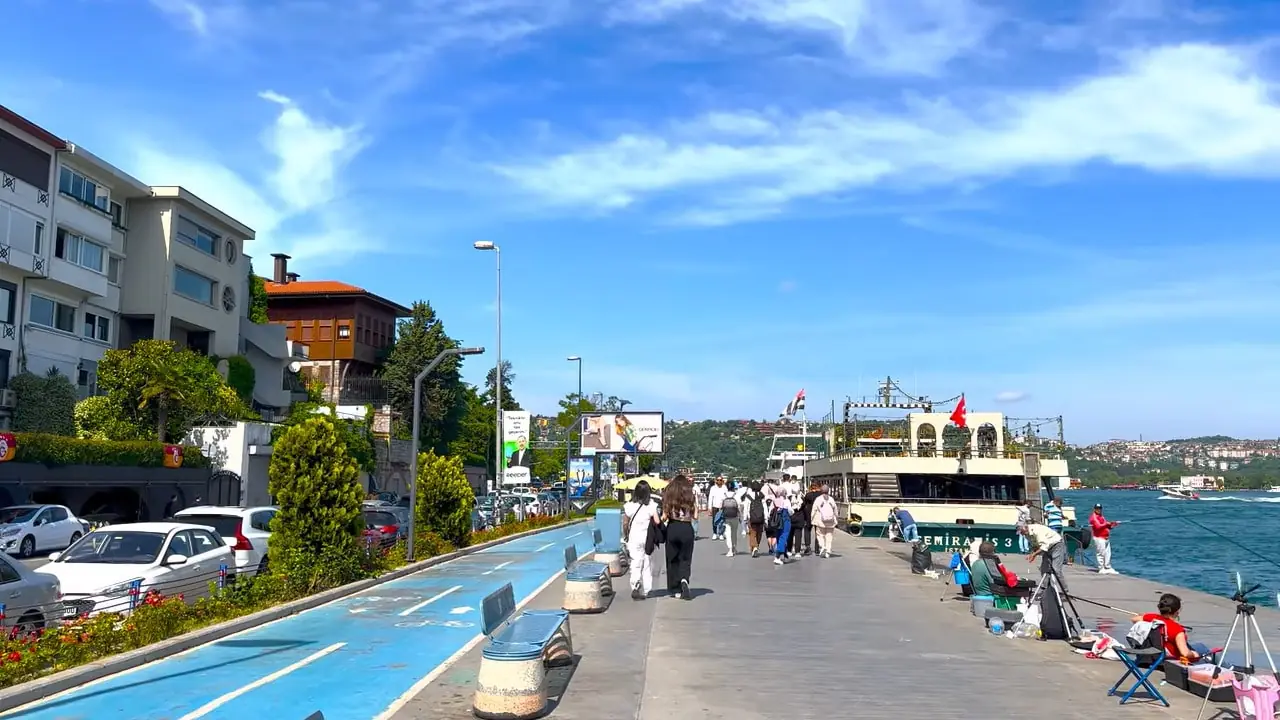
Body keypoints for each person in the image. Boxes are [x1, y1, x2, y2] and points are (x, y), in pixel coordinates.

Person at [1130, 593, 1213, 663]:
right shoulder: (1177, 630)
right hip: (1171, 659)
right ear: (1177, 612)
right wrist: (1194, 654)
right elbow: (1185, 653)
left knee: (1198, 646)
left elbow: (1134, 619)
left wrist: (1144, 617)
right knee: (1205, 650)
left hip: (1150, 655)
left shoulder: (1151, 617)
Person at [662, 474, 698, 600]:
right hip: (687, 528)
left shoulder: (669, 494)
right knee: (685, 558)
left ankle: (675, 589)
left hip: (673, 527)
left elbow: (664, 517)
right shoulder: (691, 495)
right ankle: (684, 579)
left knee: (672, 559)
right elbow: (696, 516)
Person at [623, 479, 660, 600]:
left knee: (635, 562)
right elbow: (657, 521)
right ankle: (646, 589)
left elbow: (625, 523)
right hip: (647, 539)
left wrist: (626, 534)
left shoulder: (629, 506)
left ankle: (635, 585)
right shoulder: (651, 505)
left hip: (634, 538)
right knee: (647, 563)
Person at [1021, 521, 1069, 592]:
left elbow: (1044, 546)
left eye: (1023, 532)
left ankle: (1065, 591)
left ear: (1026, 528)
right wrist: (1033, 554)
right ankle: (1046, 589)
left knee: (1056, 570)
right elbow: (1035, 545)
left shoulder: (1037, 531)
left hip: (1056, 545)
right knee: (1044, 569)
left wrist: (1034, 555)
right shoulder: (1027, 534)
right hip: (1047, 548)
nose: (1023, 535)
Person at [765, 477, 793, 565]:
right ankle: (777, 556)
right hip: (785, 520)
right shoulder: (786, 500)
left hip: (776, 522)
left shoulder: (774, 501)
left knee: (778, 537)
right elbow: (790, 511)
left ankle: (784, 554)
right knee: (784, 537)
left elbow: (770, 512)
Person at [1089, 503, 1120, 575]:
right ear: (1094, 509)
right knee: (1100, 553)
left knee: (1107, 553)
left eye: (1100, 508)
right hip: (1099, 538)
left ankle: (1108, 567)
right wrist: (1107, 524)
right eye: (1097, 508)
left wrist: (1113, 524)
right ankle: (1101, 568)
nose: (1098, 510)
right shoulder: (1093, 517)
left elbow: (1106, 526)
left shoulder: (1102, 517)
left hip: (1106, 537)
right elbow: (1098, 526)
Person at [810, 484, 838, 558]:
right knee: (829, 536)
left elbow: (814, 510)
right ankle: (828, 551)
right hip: (830, 521)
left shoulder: (818, 499)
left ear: (821, 491)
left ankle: (822, 546)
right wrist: (836, 518)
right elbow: (835, 510)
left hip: (820, 521)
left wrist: (811, 518)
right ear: (828, 491)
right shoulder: (831, 499)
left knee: (820, 535)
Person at [1044, 497, 1070, 565]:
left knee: (1062, 543)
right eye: (1060, 503)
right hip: (1053, 526)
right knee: (1054, 542)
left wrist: (1064, 517)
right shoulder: (1048, 506)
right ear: (1056, 501)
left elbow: (1061, 515)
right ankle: (1052, 558)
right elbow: (1045, 515)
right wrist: (1046, 514)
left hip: (1060, 527)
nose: (1060, 505)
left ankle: (1064, 559)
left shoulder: (1059, 507)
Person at [798, 482, 822, 556]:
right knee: (818, 532)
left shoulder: (808, 495)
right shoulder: (820, 495)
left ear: (811, 487)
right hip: (818, 515)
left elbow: (803, 504)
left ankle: (808, 547)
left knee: (807, 530)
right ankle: (817, 549)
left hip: (808, 515)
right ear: (819, 486)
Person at [744, 481, 766, 557]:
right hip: (761, 517)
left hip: (752, 517)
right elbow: (765, 507)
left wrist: (745, 518)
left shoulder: (748, 496)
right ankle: (756, 547)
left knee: (752, 533)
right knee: (759, 533)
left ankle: (754, 547)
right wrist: (766, 517)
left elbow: (746, 508)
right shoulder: (761, 496)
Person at [720, 481, 741, 557]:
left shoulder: (724, 495)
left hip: (726, 517)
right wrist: (740, 516)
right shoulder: (736, 495)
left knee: (727, 533)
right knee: (734, 533)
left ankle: (730, 549)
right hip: (735, 516)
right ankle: (734, 547)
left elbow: (720, 506)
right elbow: (739, 506)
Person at [708, 476, 730, 540]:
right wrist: (709, 507)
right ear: (716, 480)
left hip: (723, 506)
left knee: (722, 521)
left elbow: (726, 496)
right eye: (718, 480)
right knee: (715, 520)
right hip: (715, 506)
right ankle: (715, 533)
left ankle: (721, 533)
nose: (719, 481)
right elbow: (710, 498)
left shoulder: (724, 488)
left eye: (720, 480)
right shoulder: (713, 488)